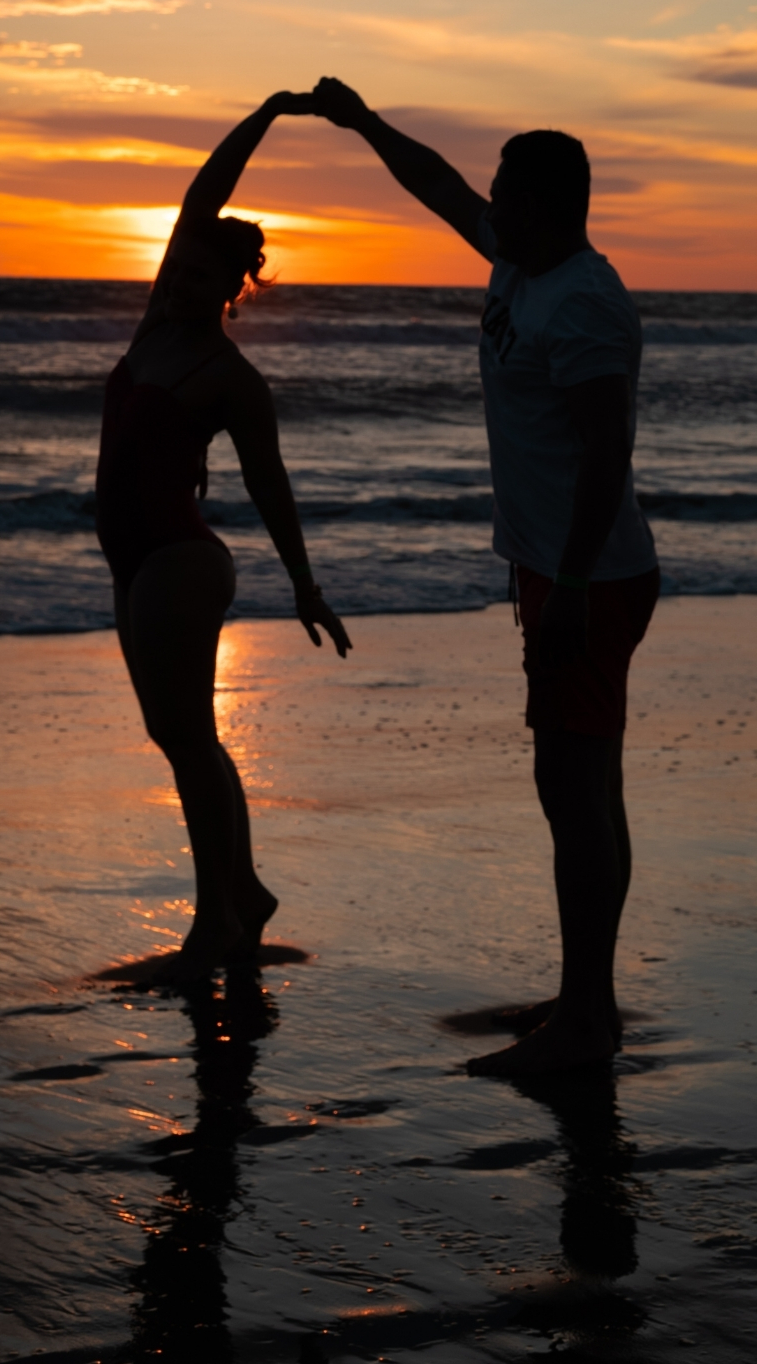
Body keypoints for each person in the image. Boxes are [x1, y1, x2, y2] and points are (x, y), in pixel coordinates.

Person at [310, 77, 658, 1074]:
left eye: (507, 190)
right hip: (565, 572)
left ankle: (587, 1026)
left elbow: (607, 454)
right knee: (592, 791)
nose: (490, 202)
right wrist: (365, 123)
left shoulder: (583, 302)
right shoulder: (523, 265)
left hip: (586, 578)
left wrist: (575, 589)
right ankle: (588, 998)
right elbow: (440, 189)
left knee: (572, 791)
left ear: (547, 205)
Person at [96, 89, 351, 981]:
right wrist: (270, 112)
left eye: (202, 278)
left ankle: (219, 917)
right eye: (177, 269)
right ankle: (242, 890)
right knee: (177, 736)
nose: (182, 282)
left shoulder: (230, 376)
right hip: (134, 562)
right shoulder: (154, 327)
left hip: (179, 561)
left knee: (190, 736)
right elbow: (204, 191)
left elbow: (270, 485)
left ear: (233, 289)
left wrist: (305, 585)